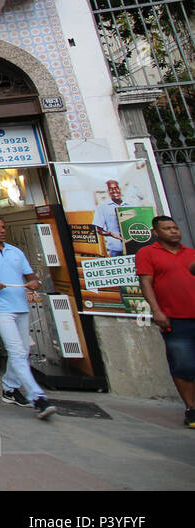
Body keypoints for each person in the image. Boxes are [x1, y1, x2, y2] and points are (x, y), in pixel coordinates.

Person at [0, 215, 56, 419]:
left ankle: (9, 388)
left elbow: (31, 277)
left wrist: (34, 283)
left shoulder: (16, 252)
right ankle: (37, 397)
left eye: (3, 227)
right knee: (15, 350)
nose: (2, 230)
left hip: (21, 306)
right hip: (0, 308)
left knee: (22, 351)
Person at [134, 215, 195, 428]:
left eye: (176, 228)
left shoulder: (191, 254)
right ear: (156, 233)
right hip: (175, 319)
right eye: (168, 228)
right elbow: (146, 283)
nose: (174, 231)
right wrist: (157, 311)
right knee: (183, 365)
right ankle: (191, 408)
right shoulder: (147, 254)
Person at [92, 179, 130, 256]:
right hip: (116, 249)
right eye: (111, 189)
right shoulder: (102, 207)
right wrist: (109, 234)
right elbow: (99, 230)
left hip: (132, 246)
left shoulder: (130, 205)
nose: (114, 191)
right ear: (108, 191)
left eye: (116, 188)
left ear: (120, 189)